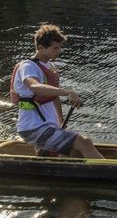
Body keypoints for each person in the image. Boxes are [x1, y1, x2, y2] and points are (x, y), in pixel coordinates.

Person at [10, 24, 104, 158]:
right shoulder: (28, 66)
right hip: (33, 127)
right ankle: (116, 170)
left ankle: (49, 161)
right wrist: (68, 92)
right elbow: (35, 88)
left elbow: (54, 98)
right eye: (55, 48)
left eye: (60, 47)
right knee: (85, 142)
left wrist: (60, 122)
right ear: (40, 48)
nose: (59, 51)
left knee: (76, 153)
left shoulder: (49, 67)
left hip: (47, 126)